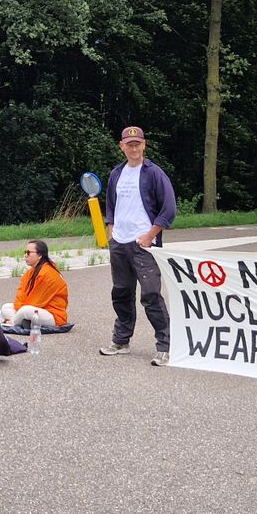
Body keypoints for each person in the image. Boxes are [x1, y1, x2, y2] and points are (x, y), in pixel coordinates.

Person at [99, 125, 177, 365]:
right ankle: (121, 341)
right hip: (119, 243)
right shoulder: (116, 174)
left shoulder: (154, 173)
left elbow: (169, 210)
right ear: (122, 146)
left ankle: (166, 347)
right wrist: (111, 228)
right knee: (121, 293)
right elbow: (111, 204)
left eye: (137, 144)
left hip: (144, 245)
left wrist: (150, 235)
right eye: (129, 144)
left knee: (151, 295)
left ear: (144, 145)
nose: (133, 148)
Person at [0, 239, 69, 328]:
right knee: (6, 307)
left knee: (25, 310)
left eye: (28, 253)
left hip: (54, 315)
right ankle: (25, 321)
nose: (25, 256)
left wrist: (20, 309)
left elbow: (35, 302)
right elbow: (22, 295)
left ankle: (13, 322)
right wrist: (19, 306)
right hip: (37, 309)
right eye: (25, 252)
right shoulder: (33, 271)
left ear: (39, 255)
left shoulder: (47, 274)